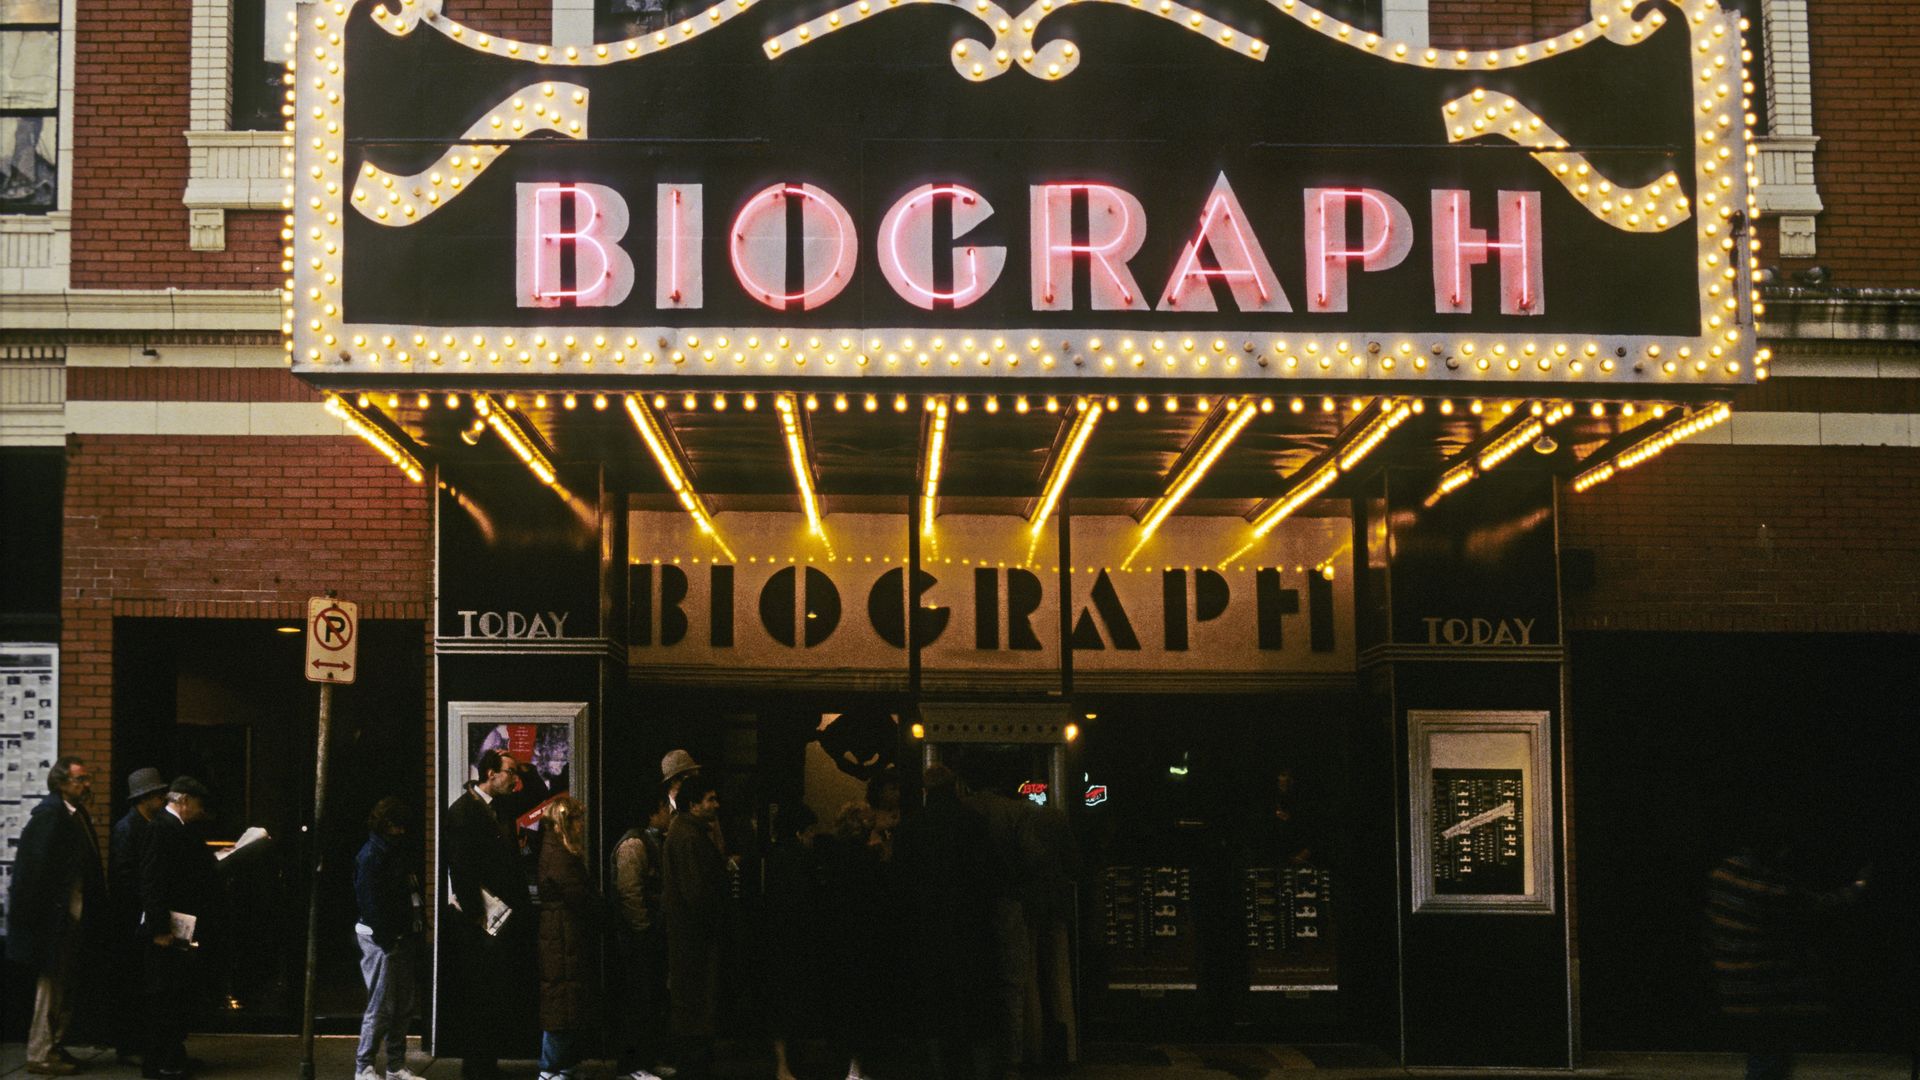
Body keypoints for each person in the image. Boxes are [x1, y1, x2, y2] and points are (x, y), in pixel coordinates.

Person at [1707, 840, 1871, 1080]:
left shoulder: (1725, 873)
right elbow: (1821, 909)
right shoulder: (1773, 890)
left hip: (1733, 985)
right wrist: (1861, 885)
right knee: (1768, 1057)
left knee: (1765, 1053)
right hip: (1764, 993)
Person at [892, 764, 995, 1080]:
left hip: (927, 925)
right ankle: (980, 1069)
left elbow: (902, 882)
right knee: (975, 1001)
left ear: (926, 791)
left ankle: (941, 1069)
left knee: (935, 1003)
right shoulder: (973, 823)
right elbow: (988, 875)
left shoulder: (911, 828)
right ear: (954, 788)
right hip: (970, 925)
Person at [6, 756, 104, 1077]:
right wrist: (40, 923)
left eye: (87, 778)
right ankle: (41, 1052)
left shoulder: (72, 815)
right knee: (51, 986)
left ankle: (53, 1045)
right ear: (61, 783)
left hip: (68, 919)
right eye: (80, 779)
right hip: (55, 922)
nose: (87, 785)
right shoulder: (51, 817)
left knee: (62, 986)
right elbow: (32, 875)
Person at [443, 750, 535, 1080]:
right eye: (510, 772)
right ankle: (477, 1068)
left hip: (499, 920)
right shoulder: (464, 811)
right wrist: (478, 918)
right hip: (480, 924)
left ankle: (485, 1063)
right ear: (491, 773)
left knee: (493, 996)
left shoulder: (500, 809)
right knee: (480, 996)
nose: (515, 778)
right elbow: (462, 870)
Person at [139, 776, 219, 1080]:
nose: (200, 811)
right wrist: (159, 928)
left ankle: (172, 1056)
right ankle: (160, 1062)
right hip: (168, 928)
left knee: (175, 994)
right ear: (183, 800)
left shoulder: (177, 828)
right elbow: (152, 881)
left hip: (180, 925)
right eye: (198, 804)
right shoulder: (162, 829)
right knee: (164, 995)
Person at [353, 797, 424, 1080]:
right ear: (389, 826)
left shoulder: (381, 852)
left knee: (398, 1005)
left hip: (394, 935)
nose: (402, 832)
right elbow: (370, 902)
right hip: (386, 937)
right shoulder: (374, 855)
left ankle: (388, 1065)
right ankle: (367, 1065)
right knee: (383, 1006)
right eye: (398, 826)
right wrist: (387, 938)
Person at [662, 774, 726, 1079]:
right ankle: (694, 1067)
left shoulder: (686, 832)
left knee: (692, 1004)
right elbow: (696, 892)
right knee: (696, 1004)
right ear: (693, 804)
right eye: (710, 799)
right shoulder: (689, 837)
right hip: (694, 938)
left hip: (690, 936)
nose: (716, 804)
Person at [109, 767, 171, 1065]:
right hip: (131, 919)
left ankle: (138, 1044)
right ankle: (130, 1046)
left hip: (139, 916)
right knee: (132, 983)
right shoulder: (128, 828)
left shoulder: (147, 824)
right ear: (144, 798)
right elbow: (125, 877)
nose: (162, 799)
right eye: (158, 794)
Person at [611, 792, 675, 1080]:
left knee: (651, 1000)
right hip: (639, 938)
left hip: (648, 934)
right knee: (639, 1001)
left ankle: (647, 1060)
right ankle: (633, 1065)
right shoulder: (635, 844)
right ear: (652, 813)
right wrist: (644, 929)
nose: (668, 814)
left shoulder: (651, 841)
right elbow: (629, 892)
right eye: (664, 809)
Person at [536, 795, 601, 1080]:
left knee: (564, 1000)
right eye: (578, 819)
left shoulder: (555, 849)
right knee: (561, 1001)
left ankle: (560, 1064)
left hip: (562, 933)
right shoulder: (560, 854)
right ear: (566, 822)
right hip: (562, 934)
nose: (582, 824)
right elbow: (576, 894)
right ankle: (550, 1067)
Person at [762, 803, 820, 1080]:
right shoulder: (801, 859)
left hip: (776, 938)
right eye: (810, 832)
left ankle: (782, 1064)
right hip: (797, 940)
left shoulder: (773, 857)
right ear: (800, 832)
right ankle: (790, 1064)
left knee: (780, 1003)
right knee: (794, 1002)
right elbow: (806, 901)